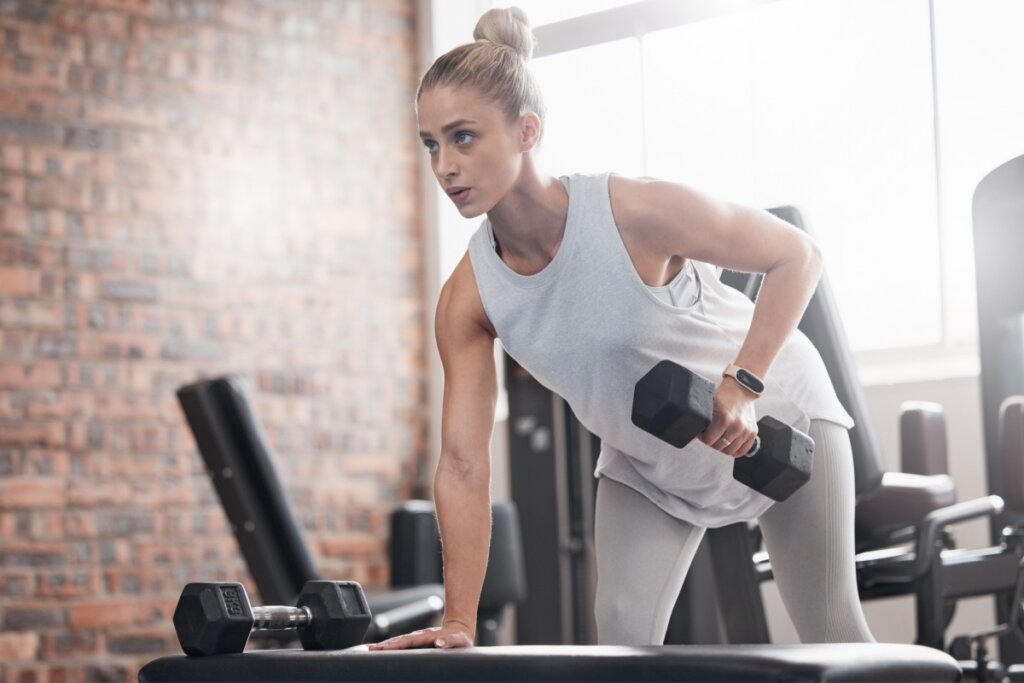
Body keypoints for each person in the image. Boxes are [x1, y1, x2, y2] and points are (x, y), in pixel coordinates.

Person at [369, 6, 876, 650]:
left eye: (463, 137)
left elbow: (796, 255)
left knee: (833, 634)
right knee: (621, 642)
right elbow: (465, 465)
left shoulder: (630, 210)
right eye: (431, 143)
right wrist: (460, 621)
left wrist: (743, 384)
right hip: (648, 461)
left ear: (527, 131)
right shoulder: (468, 298)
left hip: (779, 416)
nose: (444, 165)